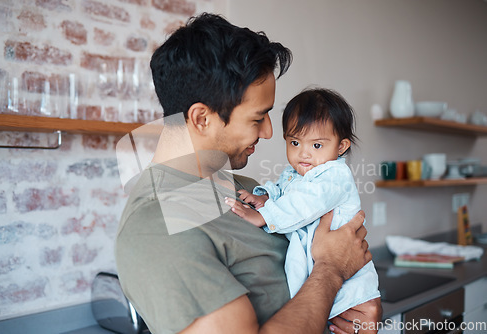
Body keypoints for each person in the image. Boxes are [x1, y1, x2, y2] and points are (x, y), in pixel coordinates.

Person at [115, 13, 381, 334]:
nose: (270, 132)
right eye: (258, 118)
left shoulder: (247, 189)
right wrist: (332, 269)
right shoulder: (155, 228)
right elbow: (330, 263)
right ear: (201, 118)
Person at [225, 88, 381, 319]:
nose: (303, 154)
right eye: (295, 142)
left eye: (316, 145)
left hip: (349, 287)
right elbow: (284, 191)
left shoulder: (334, 176)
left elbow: (305, 203)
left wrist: (264, 216)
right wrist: (265, 198)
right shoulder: (296, 174)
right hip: (322, 275)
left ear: (341, 147)